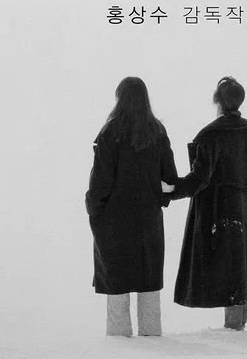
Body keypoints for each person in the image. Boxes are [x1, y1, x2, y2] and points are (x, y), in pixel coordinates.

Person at [162, 76, 247, 331]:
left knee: (223, 266)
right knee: (240, 266)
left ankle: (233, 329)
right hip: (244, 210)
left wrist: (172, 190)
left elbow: (200, 178)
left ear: (217, 102)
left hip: (217, 210)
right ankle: (238, 324)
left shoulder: (211, 134)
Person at [85, 76, 178, 337]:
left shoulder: (109, 132)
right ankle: (152, 340)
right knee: (149, 286)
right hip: (148, 221)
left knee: (117, 287)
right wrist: (159, 198)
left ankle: (120, 346)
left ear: (120, 99)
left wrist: (93, 209)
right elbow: (169, 178)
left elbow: (100, 183)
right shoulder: (157, 132)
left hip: (114, 222)